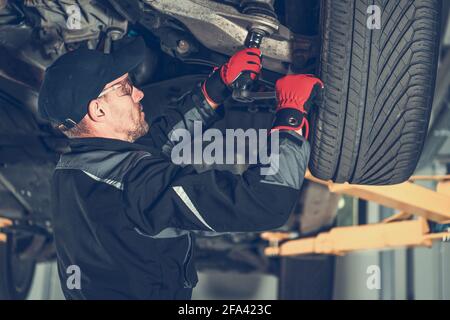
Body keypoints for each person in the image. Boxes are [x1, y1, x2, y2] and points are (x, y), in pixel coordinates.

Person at [38, 38, 323, 299]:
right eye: (125, 88)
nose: (138, 93)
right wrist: (290, 117)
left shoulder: (74, 169)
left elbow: (156, 142)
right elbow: (264, 202)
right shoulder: (136, 187)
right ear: (98, 110)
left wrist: (215, 88)